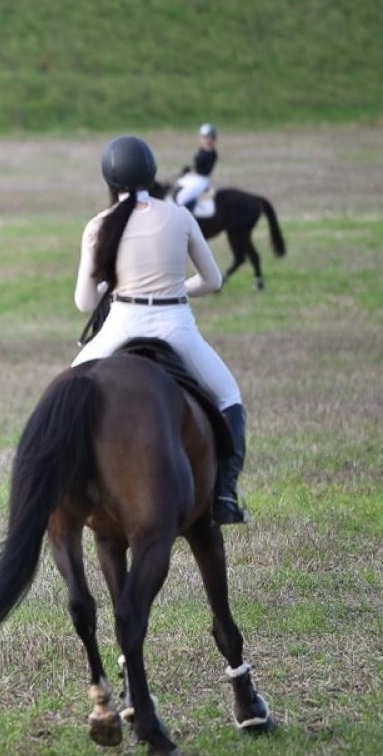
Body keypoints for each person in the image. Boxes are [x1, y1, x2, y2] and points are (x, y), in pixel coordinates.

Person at [73, 135, 250, 524]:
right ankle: (223, 494)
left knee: (65, 394)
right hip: (176, 325)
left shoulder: (98, 225)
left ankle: (63, 489)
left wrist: (111, 286)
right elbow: (213, 280)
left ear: (109, 179)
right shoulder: (179, 216)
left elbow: (85, 304)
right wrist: (175, 290)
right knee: (229, 398)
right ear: (151, 173)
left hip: (119, 325)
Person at [174, 123, 218, 209]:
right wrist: (190, 169)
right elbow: (197, 164)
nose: (207, 140)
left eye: (209, 137)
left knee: (181, 199)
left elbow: (205, 171)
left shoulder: (212, 154)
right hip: (195, 177)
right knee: (178, 185)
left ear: (213, 139)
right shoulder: (201, 150)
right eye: (205, 137)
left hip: (201, 180)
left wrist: (194, 170)